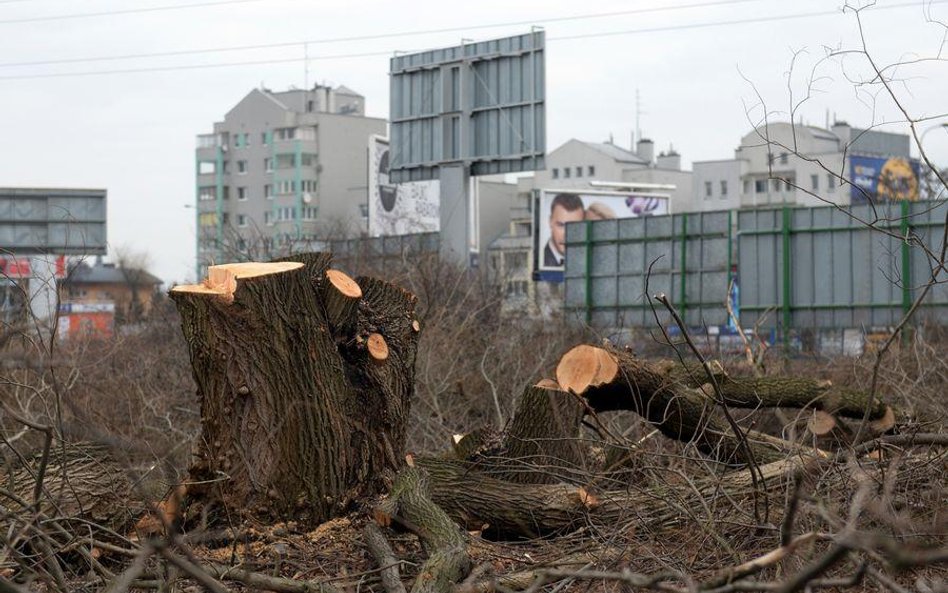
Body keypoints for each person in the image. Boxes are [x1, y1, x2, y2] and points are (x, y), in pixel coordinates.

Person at [543, 193, 584, 268]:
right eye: (561, 225)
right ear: (550, 222)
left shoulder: (589, 263)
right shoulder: (539, 260)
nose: (567, 235)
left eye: (574, 227)